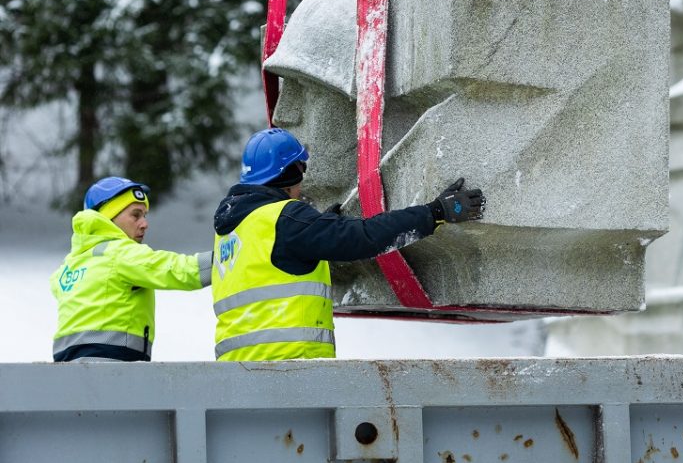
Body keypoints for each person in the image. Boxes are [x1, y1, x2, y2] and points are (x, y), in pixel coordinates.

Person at [211, 127, 485, 361]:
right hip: (288, 370)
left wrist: (320, 228)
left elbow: (276, 262)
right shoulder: (287, 218)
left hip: (239, 373)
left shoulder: (234, 229)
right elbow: (364, 237)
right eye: (301, 169)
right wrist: (434, 213)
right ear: (290, 174)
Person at [50, 177, 212, 362]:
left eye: (144, 216)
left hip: (65, 370)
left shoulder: (69, 265)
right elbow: (178, 270)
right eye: (136, 215)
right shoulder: (121, 254)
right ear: (108, 218)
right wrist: (225, 258)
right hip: (113, 366)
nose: (144, 224)